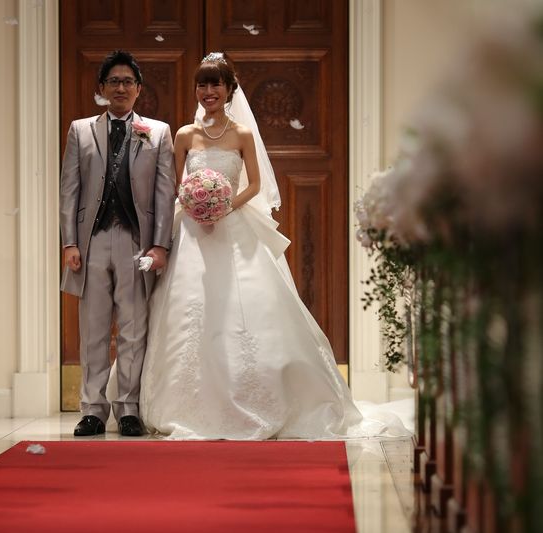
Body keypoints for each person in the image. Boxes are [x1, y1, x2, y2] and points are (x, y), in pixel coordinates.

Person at [137, 52, 410, 440]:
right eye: (202, 84)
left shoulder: (242, 134)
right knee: (188, 310)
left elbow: (255, 184)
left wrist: (225, 204)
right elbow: (175, 184)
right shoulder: (184, 135)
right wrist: (194, 204)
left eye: (216, 84)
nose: (208, 91)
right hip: (193, 232)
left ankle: (258, 399)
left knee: (247, 309)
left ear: (229, 89)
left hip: (233, 224)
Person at [60, 50, 176, 437]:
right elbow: (69, 190)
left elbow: (164, 193)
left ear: (139, 89)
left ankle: (128, 408)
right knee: (93, 329)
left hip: (136, 242)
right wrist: (69, 243)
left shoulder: (157, 132)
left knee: (133, 328)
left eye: (128, 81)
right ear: (102, 88)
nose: (121, 87)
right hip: (91, 241)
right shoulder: (80, 131)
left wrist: (160, 245)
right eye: (114, 81)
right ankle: (92, 410)